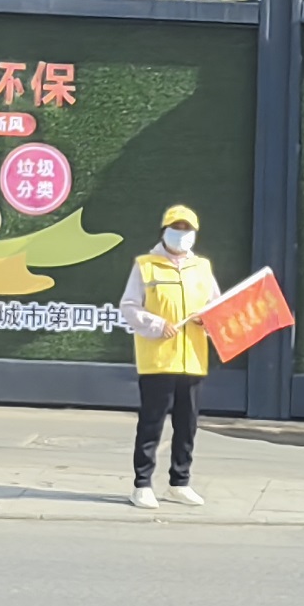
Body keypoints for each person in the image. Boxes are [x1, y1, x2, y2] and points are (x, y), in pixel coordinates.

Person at [119, 205, 220, 510]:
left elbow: (218, 307)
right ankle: (142, 485)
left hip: (193, 359)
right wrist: (156, 324)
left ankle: (179, 483)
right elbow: (129, 307)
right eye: (176, 228)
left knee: (187, 426)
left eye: (187, 229)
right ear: (164, 231)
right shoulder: (146, 265)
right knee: (151, 425)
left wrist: (207, 320)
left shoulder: (202, 267)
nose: (181, 234)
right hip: (158, 360)